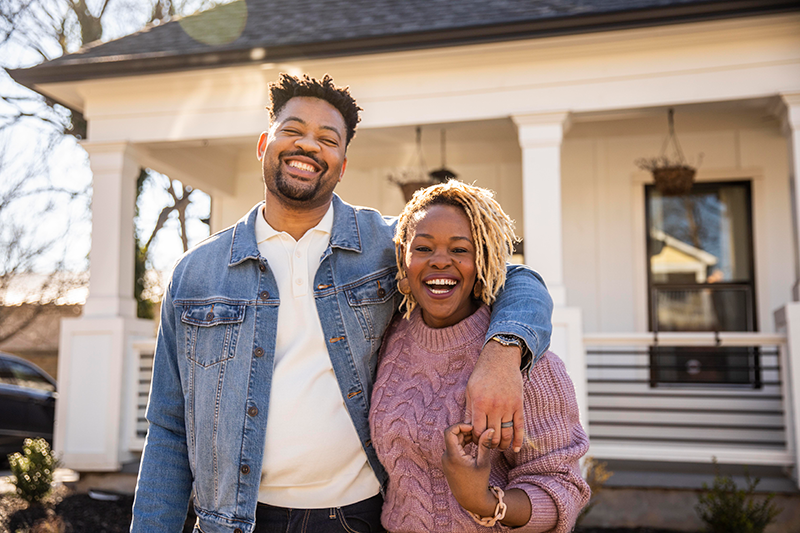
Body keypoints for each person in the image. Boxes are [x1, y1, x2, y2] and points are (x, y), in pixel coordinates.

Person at [130, 73, 554, 533]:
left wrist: (504, 353)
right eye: (292, 131)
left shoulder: (387, 244)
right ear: (263, 145)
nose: (308, 146)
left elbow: (514, 277)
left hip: (356, 517)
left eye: (327, 139)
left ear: (342, 163)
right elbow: (169, 431)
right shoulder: (196, 274)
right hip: (233, 522)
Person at [369, 180, 590, 532]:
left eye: (460, 250)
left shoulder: (523, 360)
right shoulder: (389, 335)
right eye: (423, 248)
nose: (441, 261)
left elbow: (563, 487)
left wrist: (483, 501)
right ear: (404, 261)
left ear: (483, 261)